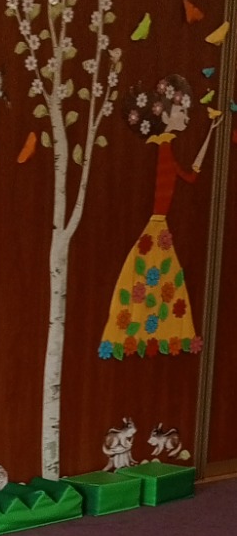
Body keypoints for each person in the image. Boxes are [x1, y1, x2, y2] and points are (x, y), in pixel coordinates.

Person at [99, 74, 220, 360]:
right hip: (156, 224)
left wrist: (209, 133)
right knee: (151, 277)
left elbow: (190, 176)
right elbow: (181, 177)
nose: (186, 117)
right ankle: (142, 335)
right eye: (181, 111)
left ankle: (150, 335)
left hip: (160, 224)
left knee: (156, 278)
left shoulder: (167, 148)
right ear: (164, 115)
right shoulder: (161, 149)